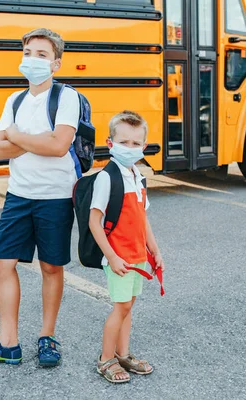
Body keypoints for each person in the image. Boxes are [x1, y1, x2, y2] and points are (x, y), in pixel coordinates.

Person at [0, 28, 80, 367]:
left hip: (55, 196)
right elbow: (0, 150)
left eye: (41, 55)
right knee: (2, 263)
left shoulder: (66, 97)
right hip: (19, 194)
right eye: (28, 52)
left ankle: (47, 337)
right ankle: (8, 344)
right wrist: (34, 139)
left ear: (55, 63)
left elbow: (59, 146)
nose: (32, 59)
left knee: (51, 266)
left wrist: (17, 135)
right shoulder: (13, 100)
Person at [88, 110, 165, 383]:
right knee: (120, 308)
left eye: (135, 143)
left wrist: (154, 251)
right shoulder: (106, 177)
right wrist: (112, 257)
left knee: (128, 307)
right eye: (123, 142)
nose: (129, 148)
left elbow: (142, 220)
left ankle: (123, 354)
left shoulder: (138, 176)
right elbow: (94, 222)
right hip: (118, 259)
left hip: (137, 256)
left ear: (144, 147)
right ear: (110, 144)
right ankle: (105, 359)